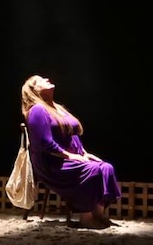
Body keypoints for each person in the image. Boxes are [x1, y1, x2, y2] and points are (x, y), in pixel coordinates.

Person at [20, 75, 122, 229]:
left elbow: (71, 135)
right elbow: (44, 142)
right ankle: (86, 217)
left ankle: (98, 214)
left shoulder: (57, 108)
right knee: (92, 170)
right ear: (34, 90)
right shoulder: (37, 110)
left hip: (68, 158)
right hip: (51, 163)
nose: (46, 78)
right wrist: (70, 156)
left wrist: (84, 154)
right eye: (40, 80)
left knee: (106, 167)